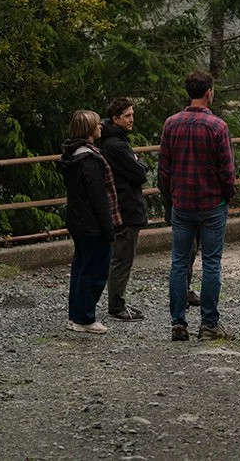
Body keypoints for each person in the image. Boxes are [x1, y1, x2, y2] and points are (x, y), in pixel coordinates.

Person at [158, 70, 236, 341]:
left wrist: (170, 197)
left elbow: (164, 169)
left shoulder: (171, 124)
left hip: (182, 204)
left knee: (179, 262)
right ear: (208, 92)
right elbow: (227, 170)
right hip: (212, 203)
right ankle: (209, 324)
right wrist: (227, 195)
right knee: (211, 263)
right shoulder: (218, 127)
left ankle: (178, 324)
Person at [59, 110, 122, 335]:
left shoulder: (72, 155)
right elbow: (99, 199)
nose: (101, 127)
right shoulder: (90, 160)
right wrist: (109, 229)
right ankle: (85, 317)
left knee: (80, 268)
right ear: (89, 129)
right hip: (92, 223)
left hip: (77, 220)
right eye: (97, 124)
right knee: (94, 270)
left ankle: (75, 315)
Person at [99, 98, 149, 321]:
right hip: (126, 207)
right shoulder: (115, 145)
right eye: (127, 116)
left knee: (120, 256)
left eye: (132, 114)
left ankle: (116, 302)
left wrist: (138, 162)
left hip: (123, 204)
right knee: (122, 257)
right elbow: (139, 173)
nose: (132, 119)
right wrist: (139, 162)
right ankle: (116, 305)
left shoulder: (113, 141)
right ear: (116, 118)